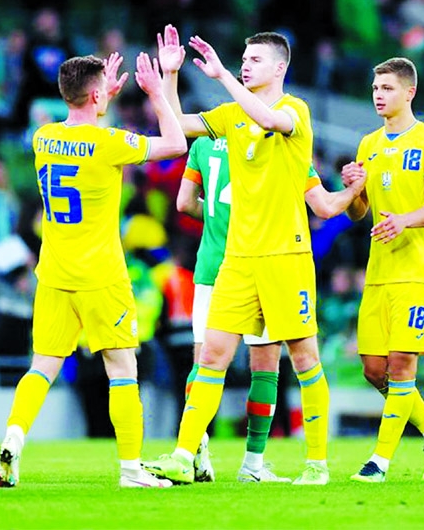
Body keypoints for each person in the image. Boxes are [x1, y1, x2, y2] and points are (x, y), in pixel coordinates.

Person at [142, 25, 360, 486]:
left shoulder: (294, 110)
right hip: (238, 259)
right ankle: (185, 455)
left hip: (286, 257)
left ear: (280, 68)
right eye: (243, 57)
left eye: (255, 59)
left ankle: (317, 463)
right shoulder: (229, 115)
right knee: (212, 357)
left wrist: (222, 76)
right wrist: (170, 75)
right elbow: (177, 126)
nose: (245, 63)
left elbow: (271, 121)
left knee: (303, 358)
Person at [0, 50, 188, 489]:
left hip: (55, 273)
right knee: (122, 368)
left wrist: (103, 99)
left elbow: (82, 129)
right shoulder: (110, 142)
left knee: (42, 365)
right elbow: (176, 144)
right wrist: (157, 93)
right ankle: (131, 470)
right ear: (96, 93)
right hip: (101, 274)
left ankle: (14, 437)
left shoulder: (43, 137)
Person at [174, 133, 365, 483]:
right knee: (266, 364)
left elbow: (185, 203)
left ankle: (192, 453)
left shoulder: (204, 144)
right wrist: (354, 191)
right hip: (261, 265)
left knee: (205, 363)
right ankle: (253, 463)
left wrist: (219, 222)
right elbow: (322, 206)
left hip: (211, 265)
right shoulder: (281, 143)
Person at [342, 57, 424, 483]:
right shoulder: (368, 144)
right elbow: (359, 214)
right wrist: (353, 187)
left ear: (409, 92)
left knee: (402, 363)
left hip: (419, 269)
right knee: (374, 369)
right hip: (380, 271)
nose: (378, 95)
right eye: (375, 88)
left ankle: (379, 462)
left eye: (387, 88)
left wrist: (404, 220)